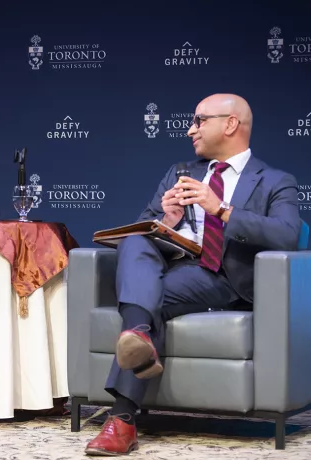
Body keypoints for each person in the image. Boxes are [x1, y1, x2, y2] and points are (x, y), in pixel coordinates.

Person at [84, 93, 301, 456]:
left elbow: (287, 234)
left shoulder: (275, 181)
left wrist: (222, 210)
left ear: (230, 124)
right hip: (174, 267)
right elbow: (148, 224)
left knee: (142, 297)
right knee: (135, 243)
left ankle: (121, 417)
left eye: (199, 120)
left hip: (223, 276)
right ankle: (138, 337)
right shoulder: (180, 171)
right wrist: (166, 221)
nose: (190, 130)